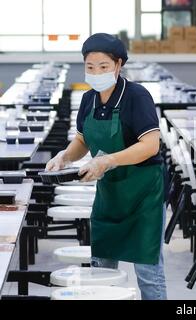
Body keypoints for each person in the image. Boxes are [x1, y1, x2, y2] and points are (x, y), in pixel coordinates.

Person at [45, 33, 167, 299]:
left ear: (118, 65)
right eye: (90, 67)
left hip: (144, 196)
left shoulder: (137, 96)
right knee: (101, 270)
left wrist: (108, 160)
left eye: (103, 67)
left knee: (148, 273)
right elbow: (83, 140)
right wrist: (64, 156)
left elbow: (150, 145)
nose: (96, 72)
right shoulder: (89, 99)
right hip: (110, 195)